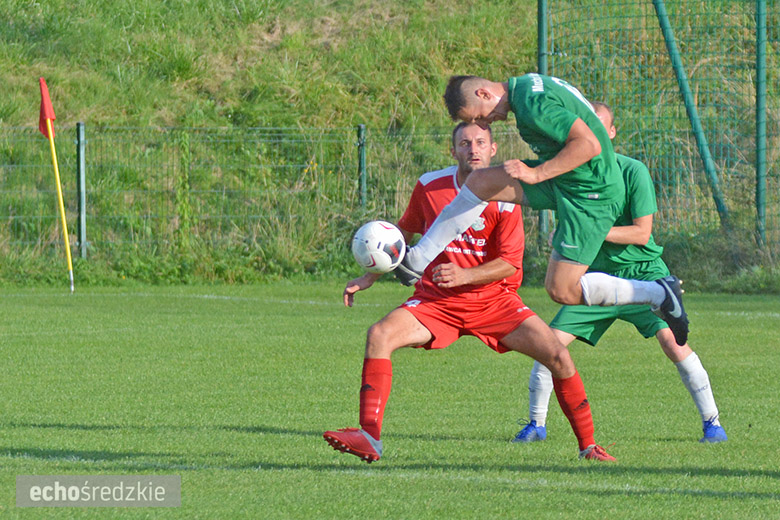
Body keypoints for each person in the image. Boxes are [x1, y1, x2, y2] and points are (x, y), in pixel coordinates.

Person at [323, 123, 616, 463]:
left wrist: (464, 275)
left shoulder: (506, 195)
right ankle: (369, 437)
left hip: (495, 302)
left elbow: (509, 262)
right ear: (453, 151)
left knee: (558, 357)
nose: (472, 149)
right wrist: (370, 275)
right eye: (464, 143)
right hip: (437, 302)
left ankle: (589, 446)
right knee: (379, 335)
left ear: (493, 150)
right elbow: (399, 237)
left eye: (480, 142)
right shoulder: (430, 186)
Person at [394, 74, 689, 346]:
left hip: (591, 190)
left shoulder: (531, 104)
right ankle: (419, 258)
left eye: (481, 116)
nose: (488, 123)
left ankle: (659, 292)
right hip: (570, 178)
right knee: (481, 181)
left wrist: (537, 174)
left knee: (562, 290)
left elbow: (588, 145)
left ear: (483, 93)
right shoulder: (526, 86)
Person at [513, 102, 727, 444]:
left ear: (611, 133)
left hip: (641, 273)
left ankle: (712, 423)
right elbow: (572, 230)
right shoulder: (572, 176)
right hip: (591, 280)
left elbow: (641, 233)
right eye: (587, 127)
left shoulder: (633, 171)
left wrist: (591, 232)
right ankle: (536, 425)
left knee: (673, 343)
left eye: (601, 127)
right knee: (547, 345)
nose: (595, 133)